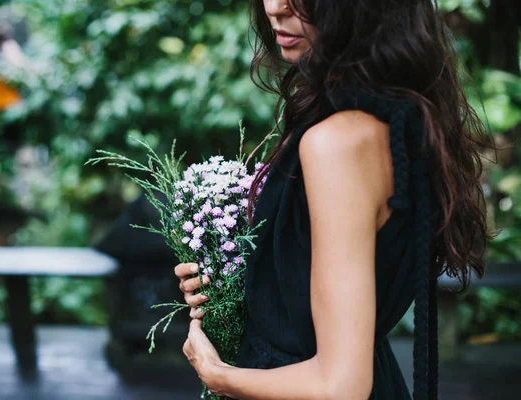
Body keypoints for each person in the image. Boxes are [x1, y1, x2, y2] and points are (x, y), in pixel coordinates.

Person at [174, 1, 495, 399]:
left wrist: (217, 374)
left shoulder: (339, 143)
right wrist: (239, 280)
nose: (274, 7)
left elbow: (341, 386)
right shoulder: (391, 119)